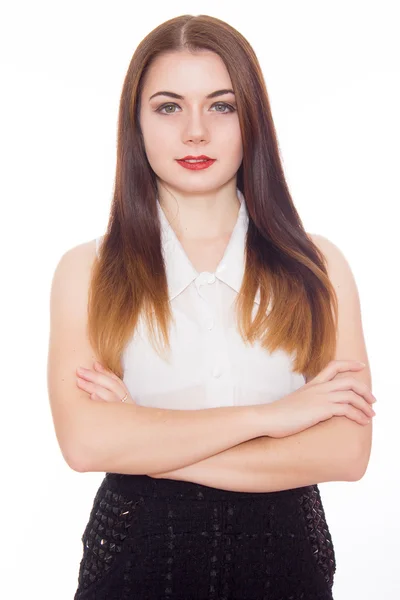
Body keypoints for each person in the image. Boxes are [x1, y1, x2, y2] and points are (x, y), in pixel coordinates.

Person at [47, 13, 376, 600]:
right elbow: (86, 443)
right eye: (169, 107)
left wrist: (147, 444)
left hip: (288, 567)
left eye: (221, 106)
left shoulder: (317, 266)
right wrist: (272, 419)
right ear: (137, 123)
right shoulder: (89, 271)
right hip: (137, 564)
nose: (195, 132)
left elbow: (346, 452)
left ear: (252, 119)